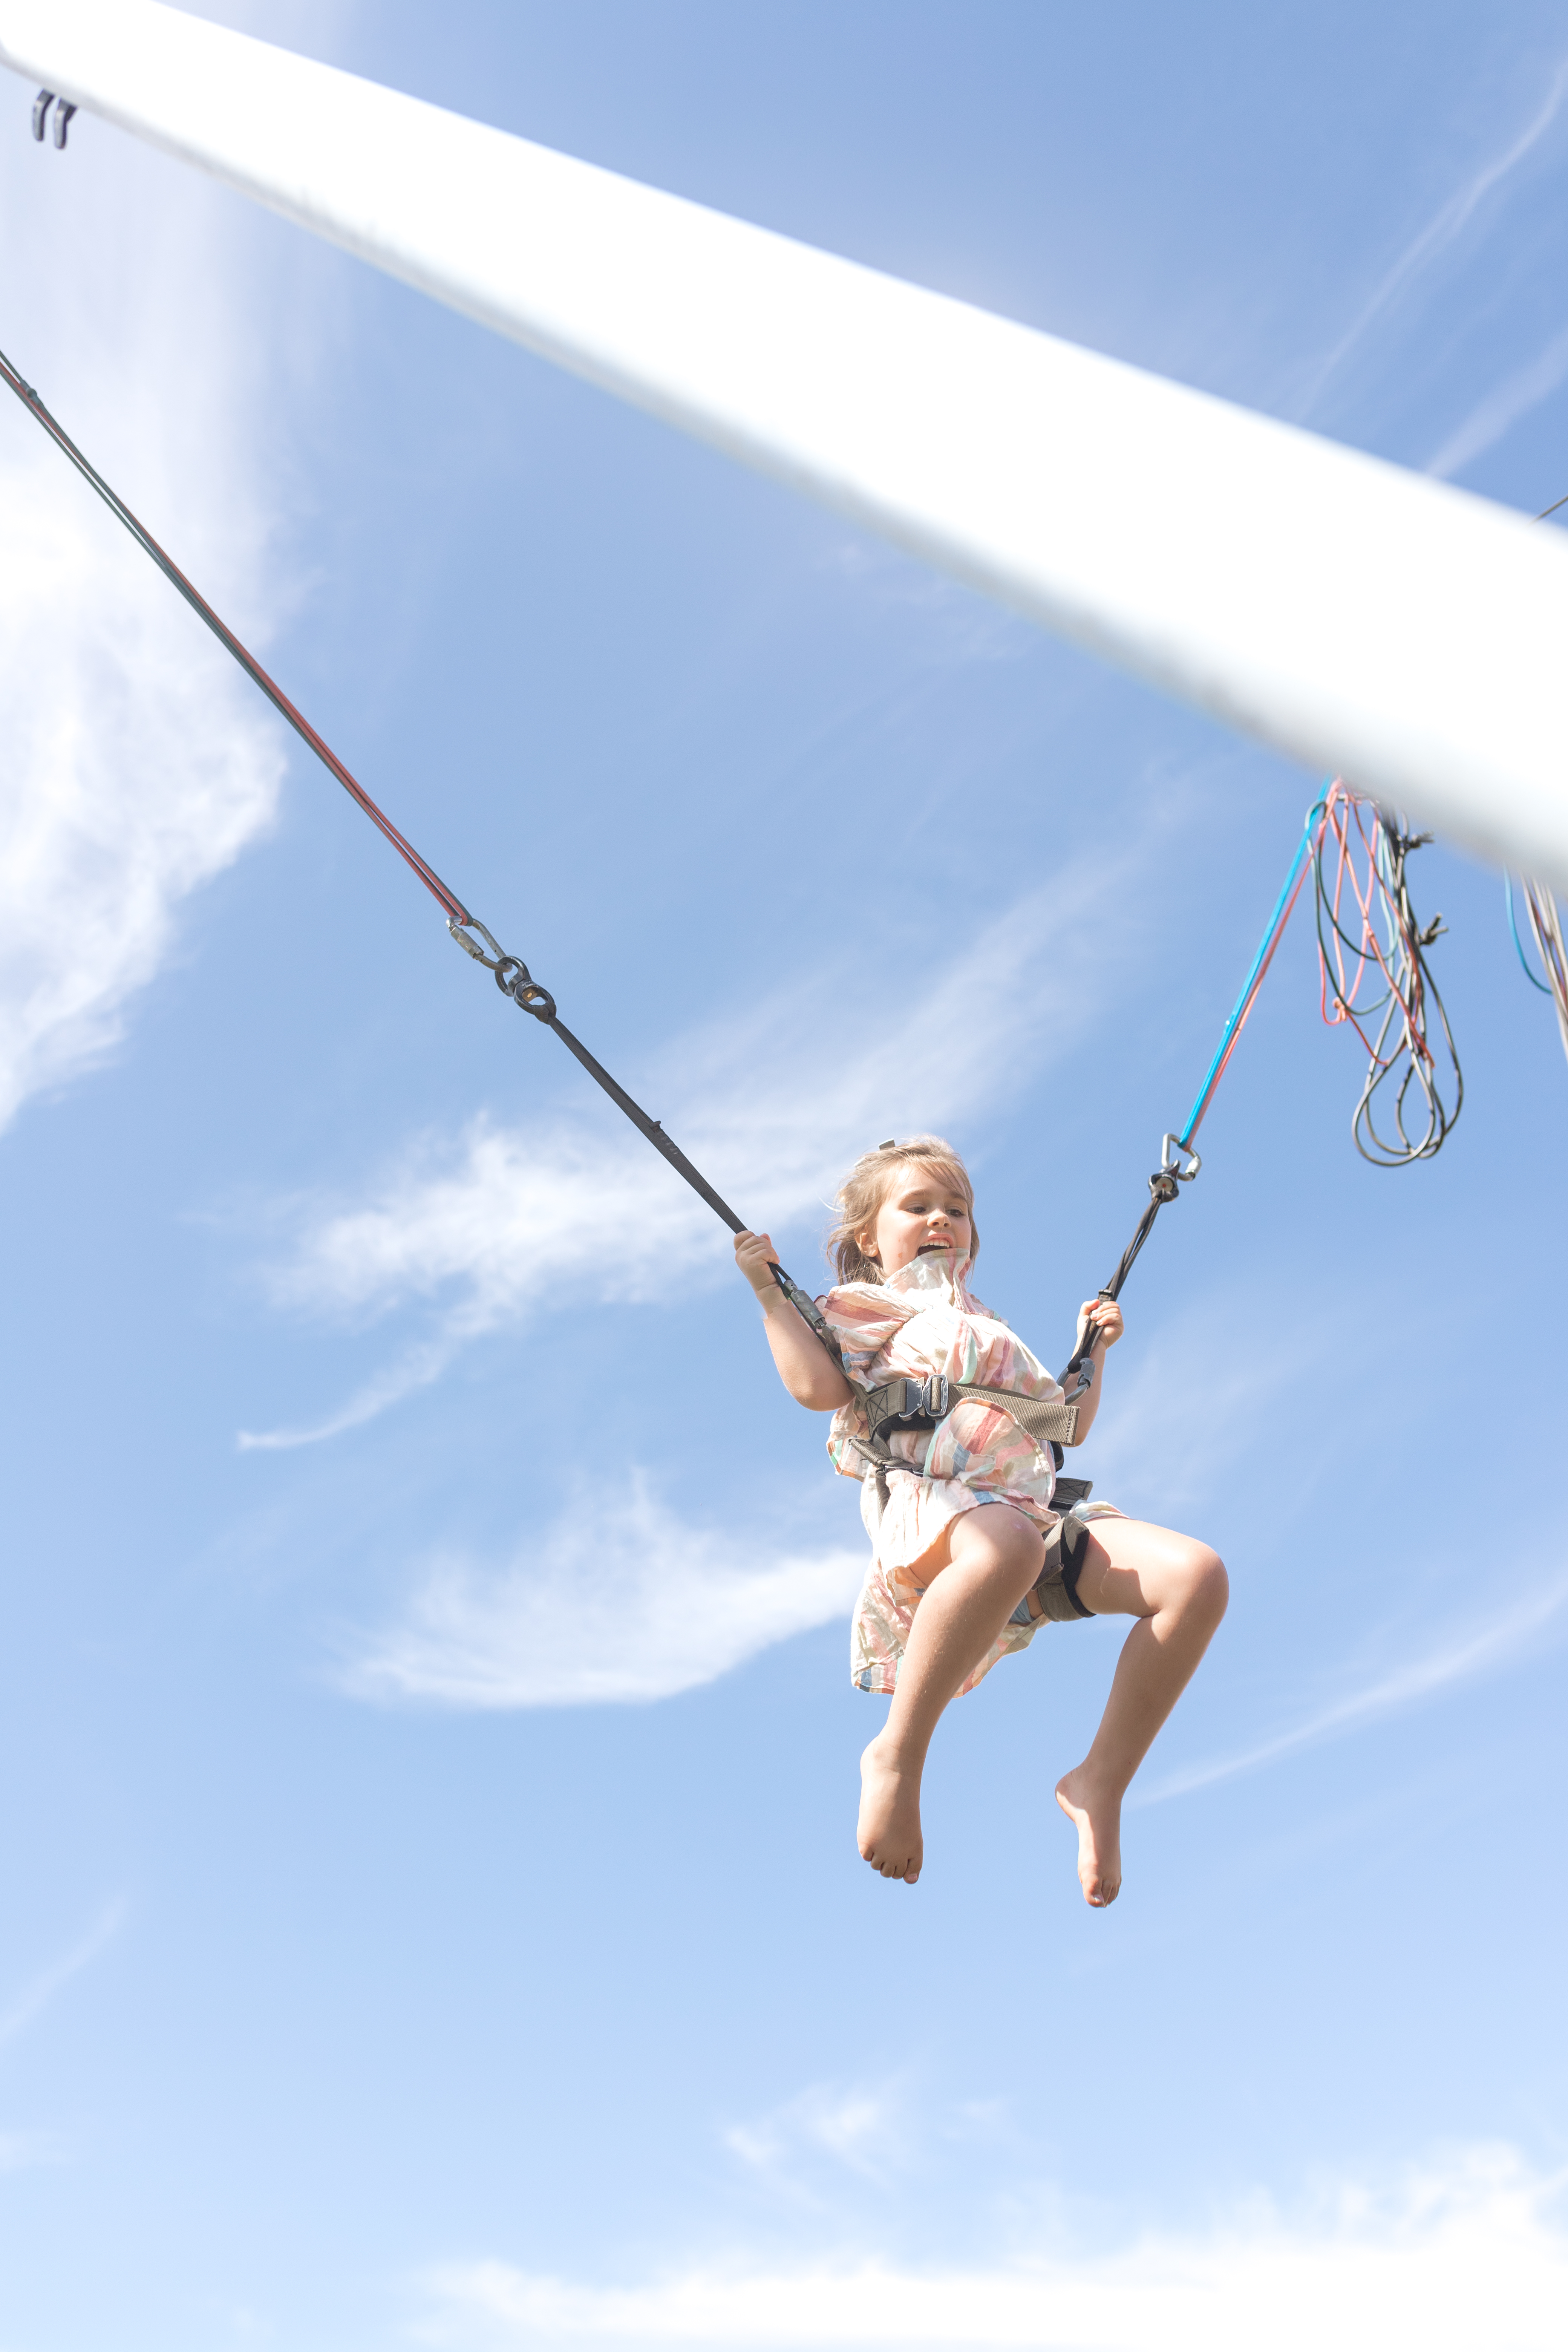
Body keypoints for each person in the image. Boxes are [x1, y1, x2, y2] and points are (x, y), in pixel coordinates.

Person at [733, 1136, 1227, 1906]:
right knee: (1000, 1543)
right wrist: (771, 1297)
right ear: (870, 1237)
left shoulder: (991, 1328)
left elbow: (1063, 1426)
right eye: (918, 1206)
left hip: (1033, 1517)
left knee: (1195, 1577)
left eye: (957, 1210)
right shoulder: (864, 1309)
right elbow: (818, 1389)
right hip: (945, 1510)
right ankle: (896, 1756)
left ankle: (1099, 1780)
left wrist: (1092, 1355)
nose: (942, 1220)